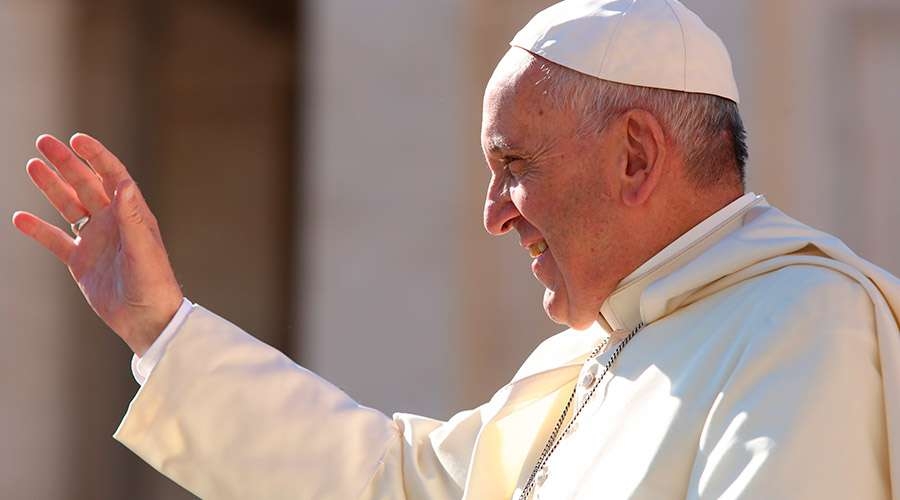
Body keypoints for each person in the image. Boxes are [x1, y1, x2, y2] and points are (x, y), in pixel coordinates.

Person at [12, 0, 900, 498]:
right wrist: (160, 326)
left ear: (635, 156)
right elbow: (395, 486)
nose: (493, 214)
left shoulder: (802, 324)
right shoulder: (591, 358)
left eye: (515, 165)